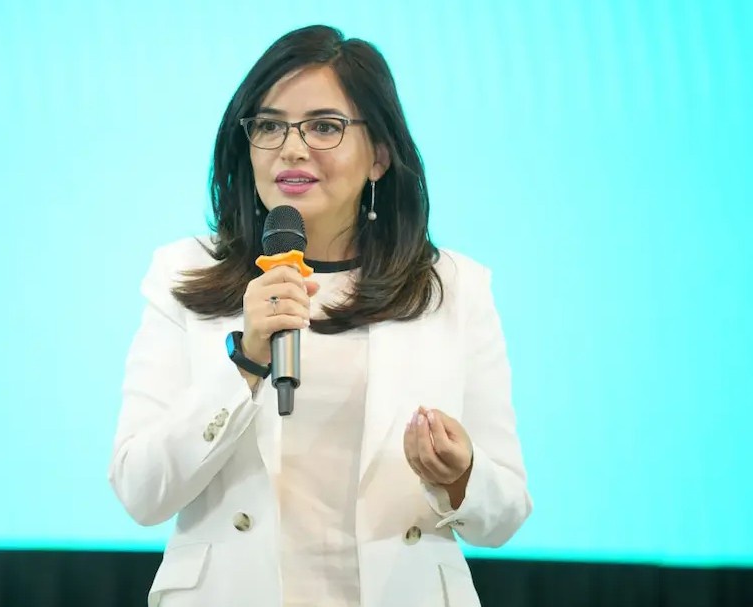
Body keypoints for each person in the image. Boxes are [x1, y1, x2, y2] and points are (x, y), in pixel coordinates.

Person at [108, 24, 532, 607]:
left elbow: (505, 512)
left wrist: (458, 476)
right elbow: (140, 491)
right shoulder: (182, 273)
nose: (291, 148)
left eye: (325, 126)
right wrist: (245, 361)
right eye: (269, 125)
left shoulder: (454, 288)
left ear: (379, 155)